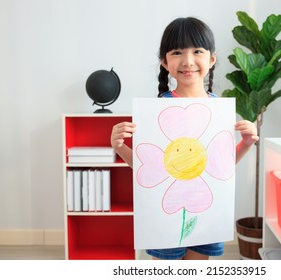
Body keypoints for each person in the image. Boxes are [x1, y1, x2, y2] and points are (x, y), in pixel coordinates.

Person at [110, 17, 259, 260]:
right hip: (166, 212)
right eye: (177, 52)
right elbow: (148, 170)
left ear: (211, 59)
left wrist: (246, 143)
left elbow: (221, 168)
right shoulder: (158, 111)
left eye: (197, 51)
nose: (188, 61)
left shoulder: (218, 112)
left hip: (206, 209)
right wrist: (120, 147)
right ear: (164, 61)